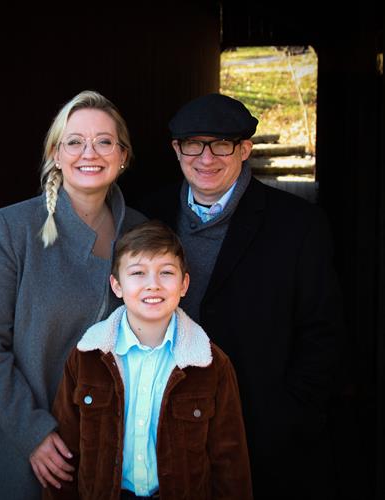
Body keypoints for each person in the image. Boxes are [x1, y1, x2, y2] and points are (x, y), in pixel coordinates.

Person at [131, 93, 344, 500]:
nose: (206, 158)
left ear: (245, 149)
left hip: (260, 434)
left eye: (222, 144)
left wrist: (287, 417)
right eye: (194, 144)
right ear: (176, 149)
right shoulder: (148, 215)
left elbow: (323, 335)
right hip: (162, 429)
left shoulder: (299, 225)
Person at [0, 90, 147, 500]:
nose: (89, 153)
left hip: (109, 449)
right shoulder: (12, 228)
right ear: (56, 155)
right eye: (74, 141)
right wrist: (32, 432)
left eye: (104, 141)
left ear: (123, 155)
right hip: (21, 444)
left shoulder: (142, 233)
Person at [43, 219, 253, 500]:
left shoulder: (211, 364)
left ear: (184, 284)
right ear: (117, 285)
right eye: (138, 273)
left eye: (166, 272)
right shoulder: (88, 357)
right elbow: (66, 454)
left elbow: (230, 464)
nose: (153, 285)